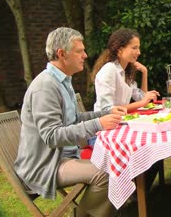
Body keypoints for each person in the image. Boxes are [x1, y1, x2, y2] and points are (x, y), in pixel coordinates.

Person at [14, 27, 126, 216]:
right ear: (61, 54)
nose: (85, 55)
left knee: (117, 163)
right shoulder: (45, 87)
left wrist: (105, 113)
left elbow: (74, 119)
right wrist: (99, 124)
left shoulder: (62, 81)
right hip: (45, 165)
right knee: (106, 173)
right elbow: (51, 136)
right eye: (79, 51)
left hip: (62, 157)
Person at [92, 28, 159, 112]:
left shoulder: (125, 71)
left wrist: (145, 72)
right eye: (134, 48)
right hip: (106, 122)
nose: (139, 52)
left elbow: (141, 98)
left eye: (138, 48)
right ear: (120, 50)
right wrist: (142, 102)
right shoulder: (109, 70)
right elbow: (106, 110)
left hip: (121, 119)